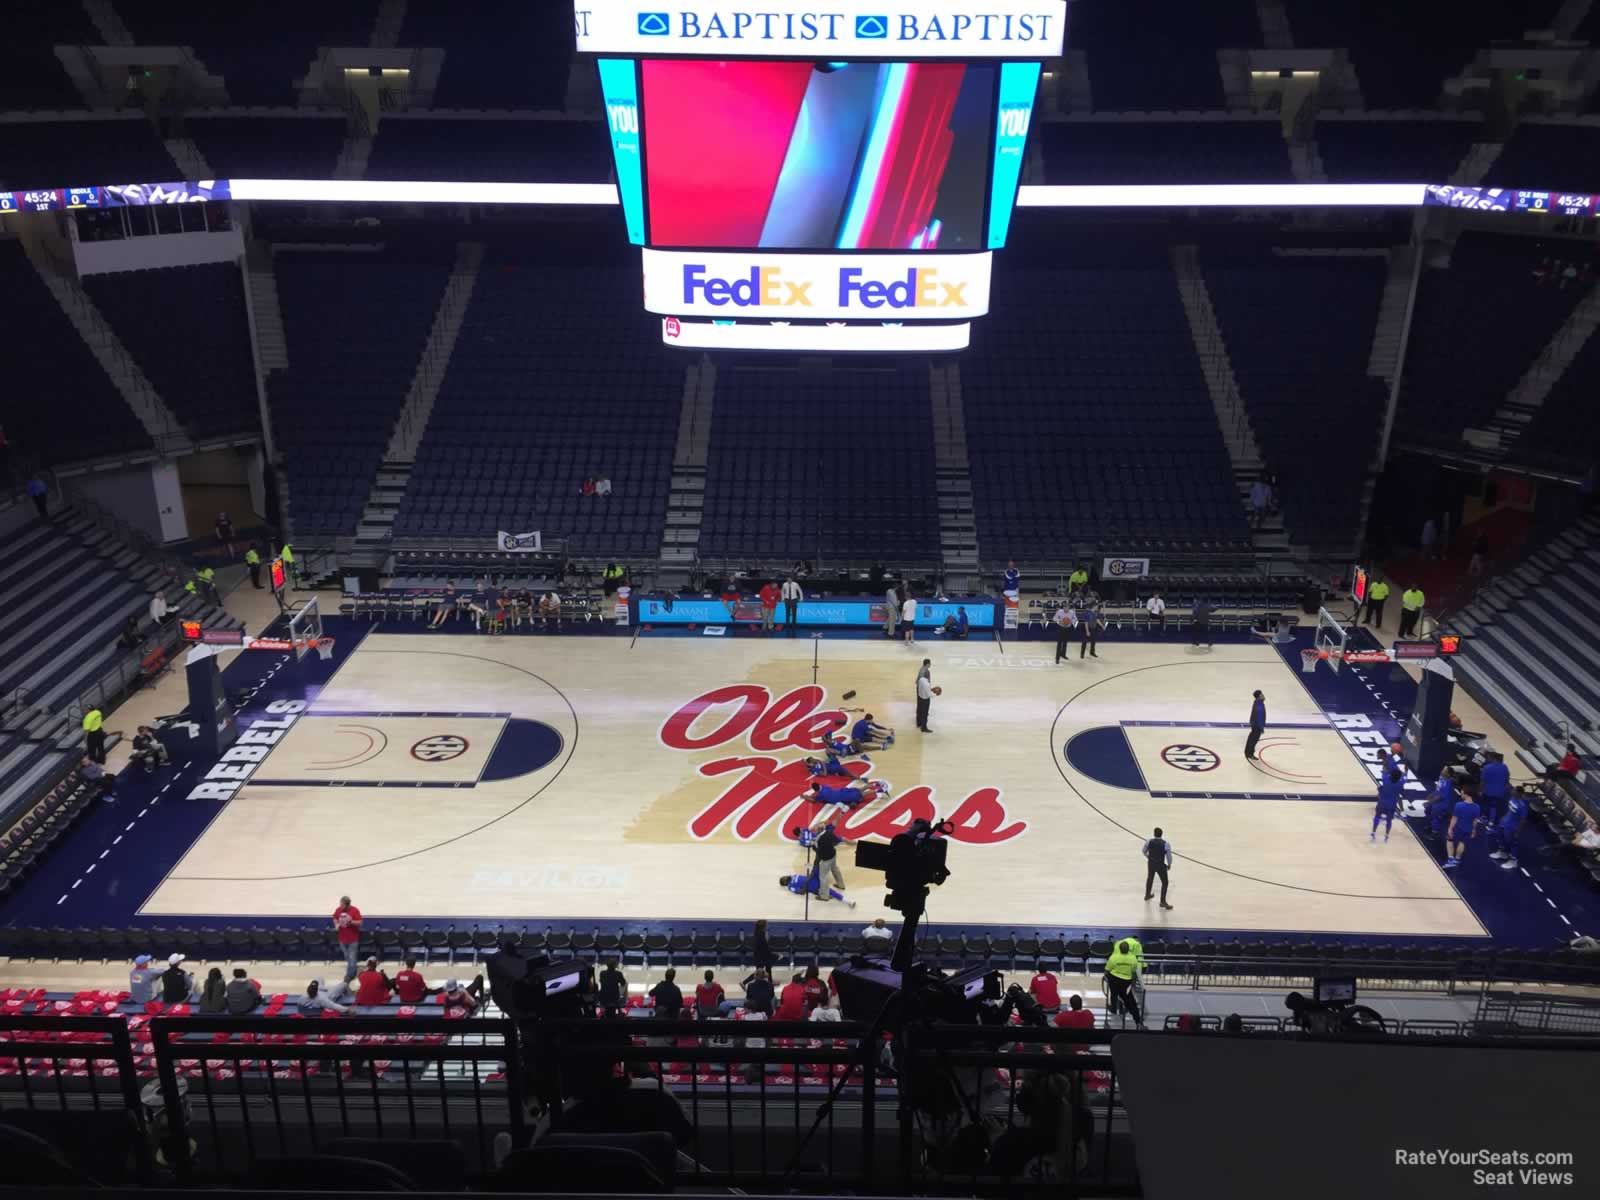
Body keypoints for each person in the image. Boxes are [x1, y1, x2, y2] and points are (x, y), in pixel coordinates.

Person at [1104, 940, 1143, 1028]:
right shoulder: (1133, 958)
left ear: (1119, 949)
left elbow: (1107, 970)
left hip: (1114, 980)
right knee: (1130, 1001)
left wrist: (1106, 977)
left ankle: (1114, 1008)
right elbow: (1133, 972)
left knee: (1113, 994)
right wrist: (1132, 983)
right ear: (1128, 949)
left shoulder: (1113, 957)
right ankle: (1138, 1022)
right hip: (1126, 982)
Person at [809, 815, 847, 900]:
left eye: (815, 830)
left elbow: (816, 850)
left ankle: (824, 896)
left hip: (825, 860)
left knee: (823, 877)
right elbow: (836, 842)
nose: (814, 831)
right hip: (833, 855)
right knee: (835, 869)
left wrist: (813, 844)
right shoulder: (829, 833)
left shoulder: (818, 840)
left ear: (819, 830)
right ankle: (841, 885)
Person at [1489, 790, 1528, 870]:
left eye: (1514, 791)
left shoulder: (1522, 805)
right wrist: (1503, 818)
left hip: (1513, 826)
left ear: (1519, 793)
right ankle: (1502, 852)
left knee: (1512, 842)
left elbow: (1523, 820)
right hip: (1504, 822)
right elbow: (1510, 811)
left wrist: (1518, 831)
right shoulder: (1512, 798)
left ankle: (1513, 861)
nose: (1512, 791)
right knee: (1499, 836)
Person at [1445, 785, 1480, 869]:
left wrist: (1450, 828)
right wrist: (1474, 830)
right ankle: (1457, 860)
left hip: (1458, 828)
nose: (1461, 794)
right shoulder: (1477, 807)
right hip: (1468, 829)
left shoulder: (1459, 805)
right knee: (1462, 843)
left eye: (1462, 793)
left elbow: (1454, 818)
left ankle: (1450, 859)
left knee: (1449, 840)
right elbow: (1475, 821)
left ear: (1466, 794)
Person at [332, 895, 363, 982]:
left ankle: (349, 976)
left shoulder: (354, 910)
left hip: (353, 939)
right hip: (342, 939)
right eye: (340, 904)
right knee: (348, 957)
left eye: (342, 905)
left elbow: (360, 922)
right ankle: (353, 970)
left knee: (352, 958)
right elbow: (334, 917)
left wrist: (351, 921)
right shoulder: (339, 910)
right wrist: (336, 924)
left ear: (347, 905)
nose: (340, 906)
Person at [1142, 827, 1174, 909]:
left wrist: (1148, 856)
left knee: (1150, 878)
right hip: (1160, 865)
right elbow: (1169, 856)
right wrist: (1169, 864)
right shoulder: (1166, 844)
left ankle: (1147, 895)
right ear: (1161, 834)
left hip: (1151, 864)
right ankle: (1162, 902)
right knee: (1165, 882)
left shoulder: (1149, 841)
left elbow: (1143, 851)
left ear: (1154, 834)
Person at [1479, 750, 1510, 825]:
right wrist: (1504, 790)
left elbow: (1483, 781)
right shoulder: (1505, 767)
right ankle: (1491, 821)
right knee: (1494, 806)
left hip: (1488, 791)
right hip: (1499, 792)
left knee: (1485, 805)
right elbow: (1507, 780)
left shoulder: (1487, 767)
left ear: (1494, 758)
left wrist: (1480, 790)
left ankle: (1484, 818)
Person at [1426, 767, 1458, 839]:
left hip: (1442, 804)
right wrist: (1431, 795)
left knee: (1436, 817)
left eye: (1444, 771)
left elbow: (1441, 797)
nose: (1442, 771)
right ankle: (1431, 825)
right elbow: (1438, 790)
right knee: (1428, 810)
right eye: (1442, 769)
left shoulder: (1448, 783)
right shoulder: (1441, 778)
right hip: (1436, 801)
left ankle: (1434, 833)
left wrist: (1430, 802)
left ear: (1448, 774)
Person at [1371, 768, 1402, 842]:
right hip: (1391, 805)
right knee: (1389, 820)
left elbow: (1384, 771)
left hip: (1382, 803)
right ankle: (1387, 835)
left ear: (1391, 775)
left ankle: (1373, 832)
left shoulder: (1385, 780)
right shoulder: (1400, 784)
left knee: (1377, 816)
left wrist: (1380, 790)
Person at [1245, 690, 1266, 761]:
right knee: (1253, 740)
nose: (1263, 695)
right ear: (1259, 696)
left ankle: (1248, 752)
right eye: (1262, 694)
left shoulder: (1257, 702)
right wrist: (1261, 728)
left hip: (1254, 724)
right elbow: (1259, 718)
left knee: (1251, 738)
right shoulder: (1259, 706)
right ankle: (1250, 754)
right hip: (1257, 726)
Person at [916, 661, 934, 733]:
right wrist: (935, 693)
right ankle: (924, 728)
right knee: (925, 713)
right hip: (925, 699)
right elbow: (928, 695)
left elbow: (917, 683)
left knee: (919, 709)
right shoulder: (927, 684)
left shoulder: (921, 680)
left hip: (920, 695)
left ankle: (918, 723)